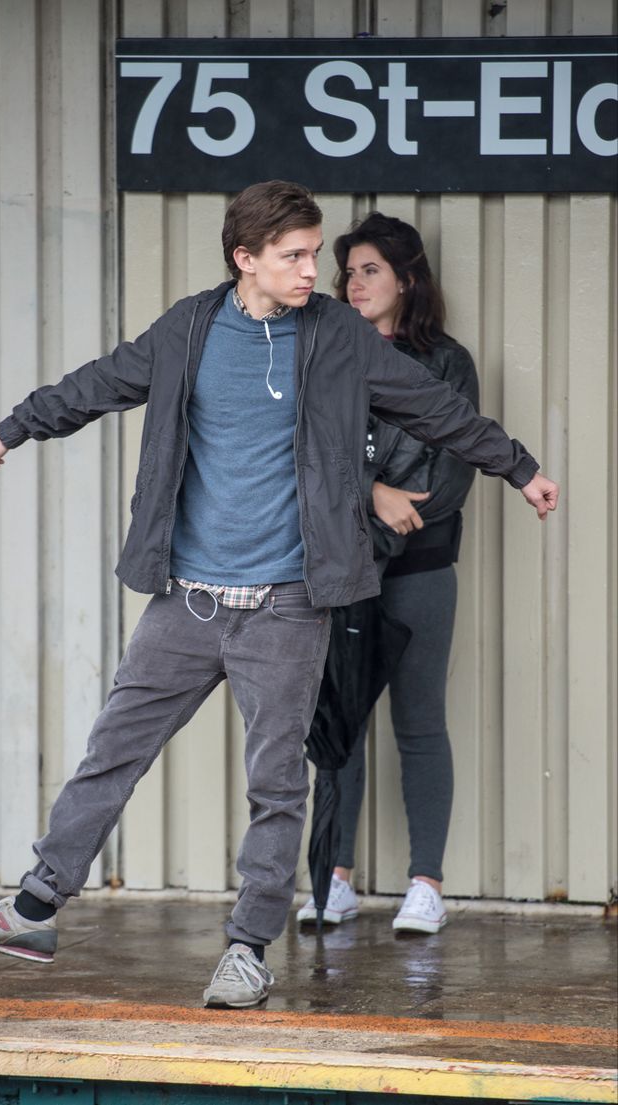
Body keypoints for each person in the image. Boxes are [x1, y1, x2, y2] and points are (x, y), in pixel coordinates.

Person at [0, 181, 558, 1009]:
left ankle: (247, 950)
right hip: (186, 601)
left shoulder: (336, 337)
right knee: (113, 749)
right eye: (292, 256)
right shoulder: (189, 329)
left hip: (289, 603)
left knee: (276, 783)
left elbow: (435, 410)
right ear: (244, 258)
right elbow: (97, 384)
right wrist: (9, 430)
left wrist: (519, 466)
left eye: (312, 253)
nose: (310, 272)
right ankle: (36, 906)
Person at [297, 211, 481, 934]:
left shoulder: (447, 362)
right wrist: (373, 497)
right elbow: (309, 457)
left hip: (422, 566)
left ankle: (425, 886)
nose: (353, 283)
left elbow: (457, 462)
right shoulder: (324, 354)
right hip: (344, 567)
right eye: (348, 272)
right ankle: (334, 877)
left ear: (407, 279)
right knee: (340, 725)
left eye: (369, 269)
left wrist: (397, 520)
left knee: (419, 723)